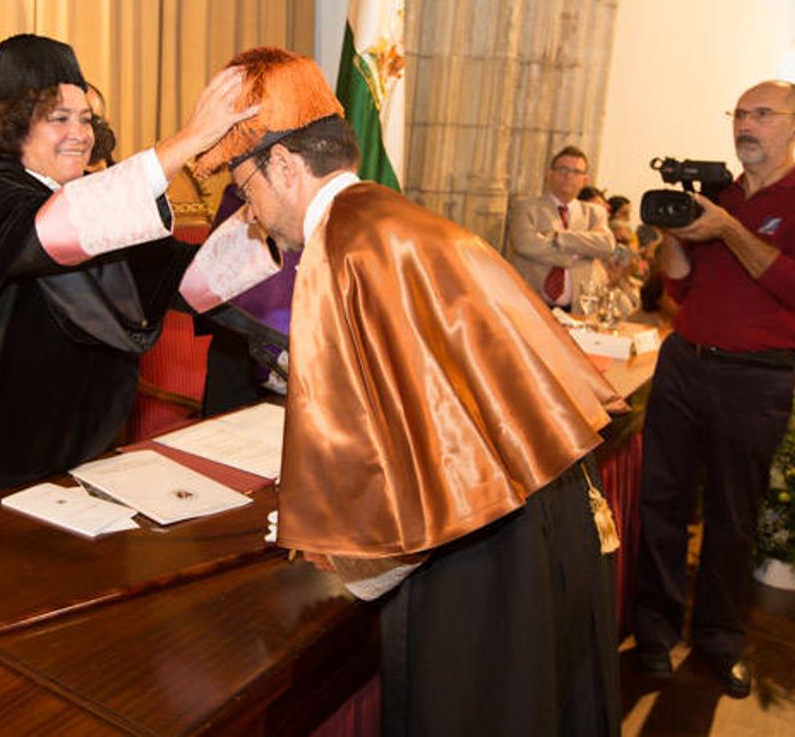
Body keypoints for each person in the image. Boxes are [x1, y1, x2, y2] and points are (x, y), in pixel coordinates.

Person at [195, 47, 626, 735]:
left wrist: (339, 561)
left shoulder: (340, 251)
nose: (245, 209)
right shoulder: (396, 220)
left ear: (282, 165)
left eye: (244, 184)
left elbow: (403, 482)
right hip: (544, 509)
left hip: (483, 551)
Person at [0, 35, 276, 512]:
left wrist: (266, 217)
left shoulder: (96, 200)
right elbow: (53, 231)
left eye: (85, 119)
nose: (80, 134)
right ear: (13, 124)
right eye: (59, 118)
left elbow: (185, 282)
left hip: (80, 466)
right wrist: (186, 142)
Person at [633, 80, 795, 698]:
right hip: (684, 363)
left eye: (762, 114)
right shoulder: (721, 196)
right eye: (739, 113)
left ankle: (719, 640)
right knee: (661, 506)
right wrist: (675, 235)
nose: (746, 124)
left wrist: (729, 229)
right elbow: (678, 288)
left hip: (755, 377)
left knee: (733, 519)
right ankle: (652, 634)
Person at [506, 146, 616, 309]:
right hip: (530, 303)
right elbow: (524, 244)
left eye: (576, 172)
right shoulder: (526, 207)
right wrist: (579, 253)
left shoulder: (595, 213)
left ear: (585, 180)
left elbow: (607, 246)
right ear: (549, 174)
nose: (568, 176)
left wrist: (558, 237)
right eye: (562, 169)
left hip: (579, 307)